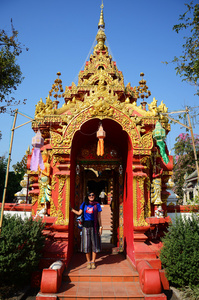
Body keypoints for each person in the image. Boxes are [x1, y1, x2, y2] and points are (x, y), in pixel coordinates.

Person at [70, 191, 103, 269]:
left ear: (95, 196)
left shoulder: (97, 205)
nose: (91, 196)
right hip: (85, 226)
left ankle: (93, 261)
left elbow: (99, 217)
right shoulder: (84, 204)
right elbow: (79, 213)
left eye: (93, 195)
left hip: (94, 226)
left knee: (95, 244)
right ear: (87, 196)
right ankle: (88, 261)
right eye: (90, 195)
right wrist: (71, 209)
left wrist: (101, 227)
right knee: (86, 244)